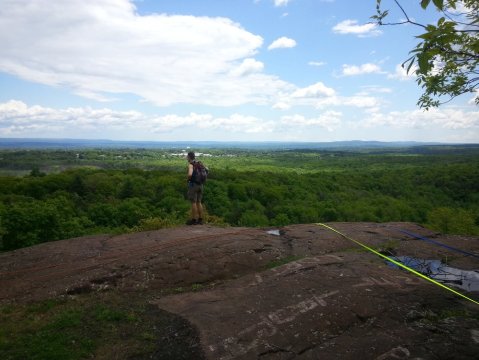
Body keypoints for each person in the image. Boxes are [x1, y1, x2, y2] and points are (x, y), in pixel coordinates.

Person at [186, 151, 204, 225]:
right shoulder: (199, 163)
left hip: (193, 185)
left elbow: (190, 174)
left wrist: (187, 179)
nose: (186, 158)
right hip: (201, 185)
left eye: (187, 156)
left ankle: (194, 220)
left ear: (189, 157)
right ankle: (200, 219)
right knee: (199, 202)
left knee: (193, 202)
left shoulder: (191, 164)